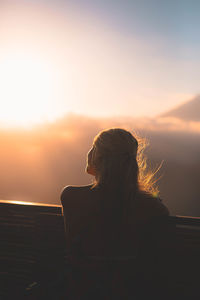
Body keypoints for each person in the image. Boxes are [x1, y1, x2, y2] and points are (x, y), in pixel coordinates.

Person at [61, 128, 169, 299]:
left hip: (82, 290)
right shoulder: (152, 206)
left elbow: (74, 251)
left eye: (94, 146)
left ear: (98, 157)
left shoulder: (71, 197)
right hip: (132, 291)